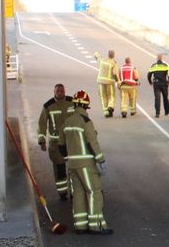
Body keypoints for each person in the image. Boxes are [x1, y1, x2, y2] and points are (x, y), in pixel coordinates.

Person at [62, 90, 113, 235]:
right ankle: (96, 225)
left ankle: (80, 226)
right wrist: (100, 160)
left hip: (72, 164)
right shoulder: (86, 122)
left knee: (78, 193)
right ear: (85, 106)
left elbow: (61, 144)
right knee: (94, 192)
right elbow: (92, 143)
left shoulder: (67, 122)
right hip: (86, 164)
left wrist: (68, 158)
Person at [36, 83, 73, 200]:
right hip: (56, 145)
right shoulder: (48, 106)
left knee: (74, 168)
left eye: (62, 91)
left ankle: (74, 191)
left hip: (71, 141)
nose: (61, 93)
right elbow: (42, 123)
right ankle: (62, 193)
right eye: (58, 91)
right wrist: (42, 140)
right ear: (54, 92)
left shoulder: (72, 102)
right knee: (60, 169)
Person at [94, 49, 119, 118]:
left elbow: (97, 56)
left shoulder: (102, 60)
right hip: (109, 83)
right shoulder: (114, 63)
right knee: (111, 96)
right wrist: (118, 82)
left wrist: (96, 53)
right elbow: (115, 73)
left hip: (101, 82)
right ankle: (110, 106)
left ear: (108, 54)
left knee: (103, 97)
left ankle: (106, 112)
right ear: (113, 55)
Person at [147, 53, 169, 117]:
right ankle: (167, 111)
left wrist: (150, 82)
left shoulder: (153, 66)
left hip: (156, 84)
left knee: (157, 98)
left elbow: (149, 75)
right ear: (162, 58)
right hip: (164, 84)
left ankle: (157, 113)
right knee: (165, 98)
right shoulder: (165, 65)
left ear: (157, 58)